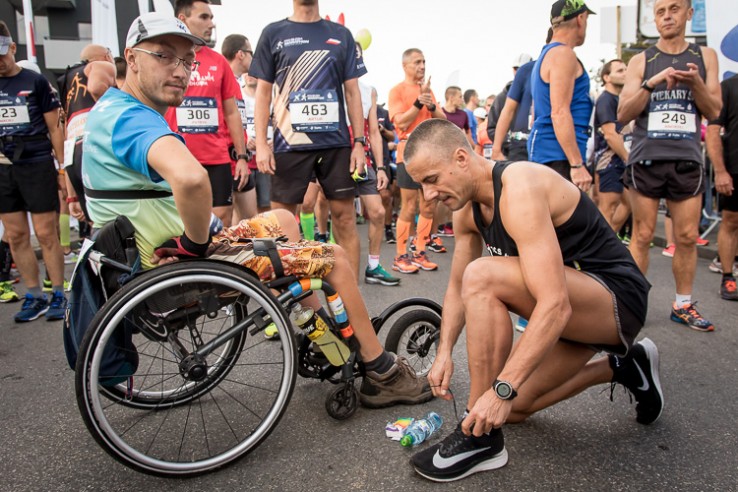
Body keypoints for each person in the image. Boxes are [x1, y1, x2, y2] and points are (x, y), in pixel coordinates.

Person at [82, 11, 432, 410]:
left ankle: (323, 335)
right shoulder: (132, 118)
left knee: (284, 220)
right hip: (179, 265)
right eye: (164, 56)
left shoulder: (111, 108)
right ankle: (383, 373)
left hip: (144, 255)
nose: (180, 70)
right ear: (131, 57)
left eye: (187, 61)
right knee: (333, 257)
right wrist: (194, 244)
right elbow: (192, 180)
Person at [402, 118, 661, 482]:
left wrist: (500, 389)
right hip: (569, 313)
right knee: (515, 408)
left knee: (483, 277)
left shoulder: (519, 187)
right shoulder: (466, 210)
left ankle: (477, 438)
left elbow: (555, 304)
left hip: (614, 301)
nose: (428, 195)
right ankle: (623, 366)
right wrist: (444, 352)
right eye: (421, 185)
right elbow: (457, 285)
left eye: (432, 179)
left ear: (461, 158)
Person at [617, 0, 721, 331]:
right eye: (660, 11)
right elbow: (623, 113)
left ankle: (683, 304)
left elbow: (714, 110)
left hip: (686, 159)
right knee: (642, 234)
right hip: (646, 157)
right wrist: (652, 83)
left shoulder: (704, 56)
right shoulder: (641, 60)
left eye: (674, 9)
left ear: (689, 13)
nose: (667, 16)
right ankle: (632, 308)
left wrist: (696, 84)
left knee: (687, 236)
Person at [0, 21, 68, 322]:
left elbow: (55, 128)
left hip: (37, 163)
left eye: (2, 54)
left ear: (13, 48)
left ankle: (58, 293)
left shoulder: (35, 81)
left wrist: (62, 169)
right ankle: (34, 295)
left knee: (46, 233)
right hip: (4, 168)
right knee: (16, 235)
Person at [165, 0, 249, 227]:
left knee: (222, 216)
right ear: (183, 19)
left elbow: (232, 112)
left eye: (211, 17)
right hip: (177, 155)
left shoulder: (219, 61)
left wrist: (241, 157)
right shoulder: (166, 58)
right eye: (204, 17)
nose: (211, 23)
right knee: (179, 219)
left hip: (216, 156)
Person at [388, 48, 446, 274]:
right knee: (409, 205)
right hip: (408, 153)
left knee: (429, 203)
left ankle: (420, 251)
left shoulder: (428, 92)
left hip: (430, 154)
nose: (422, 66)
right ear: (405, 66)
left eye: (424, 62)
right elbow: (401, 123)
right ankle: (400, 256)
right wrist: (418, 103)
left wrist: (430, 104)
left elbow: (444, 121)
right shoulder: (397, 90)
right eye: (417, 62)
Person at [529, 0, 595, 191]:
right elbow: (559, 112)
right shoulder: (563, 54)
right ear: (580, 19)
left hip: (551, 153)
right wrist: (576, 164)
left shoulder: (548, 54)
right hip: (558, 156)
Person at [705, 73, 738, 301]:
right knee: (731, 221)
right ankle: (728, 277)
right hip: (734, 168)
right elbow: (713, 131)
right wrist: (720, 171)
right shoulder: (728, 87)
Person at [221, 33, 259, 222]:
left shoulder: (238, 83)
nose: (253, 58)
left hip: (240, 157)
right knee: (227, 218)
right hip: (225, 158)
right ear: (241, 54)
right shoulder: (221, 79)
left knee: (250, 220)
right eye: (251, 53)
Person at [593, 59, 631, 230]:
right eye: (620, 71)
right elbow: (610, 134)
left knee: (629, 205)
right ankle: (601, 244)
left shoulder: (619, 99)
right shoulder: (606, 100)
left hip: (621, 161)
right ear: (607, 77)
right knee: (607, 209)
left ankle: (609, 241)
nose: (625, 73)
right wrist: (628, 158)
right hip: (609, 162)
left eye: (626, 69)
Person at [487, 52, 532, 157]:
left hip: (535, 152)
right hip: (510, 154)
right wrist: (508, 142)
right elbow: (491, 128)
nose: (519, 72)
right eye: (516, 68)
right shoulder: (501, 98)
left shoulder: (539, 94)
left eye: (523, 68)